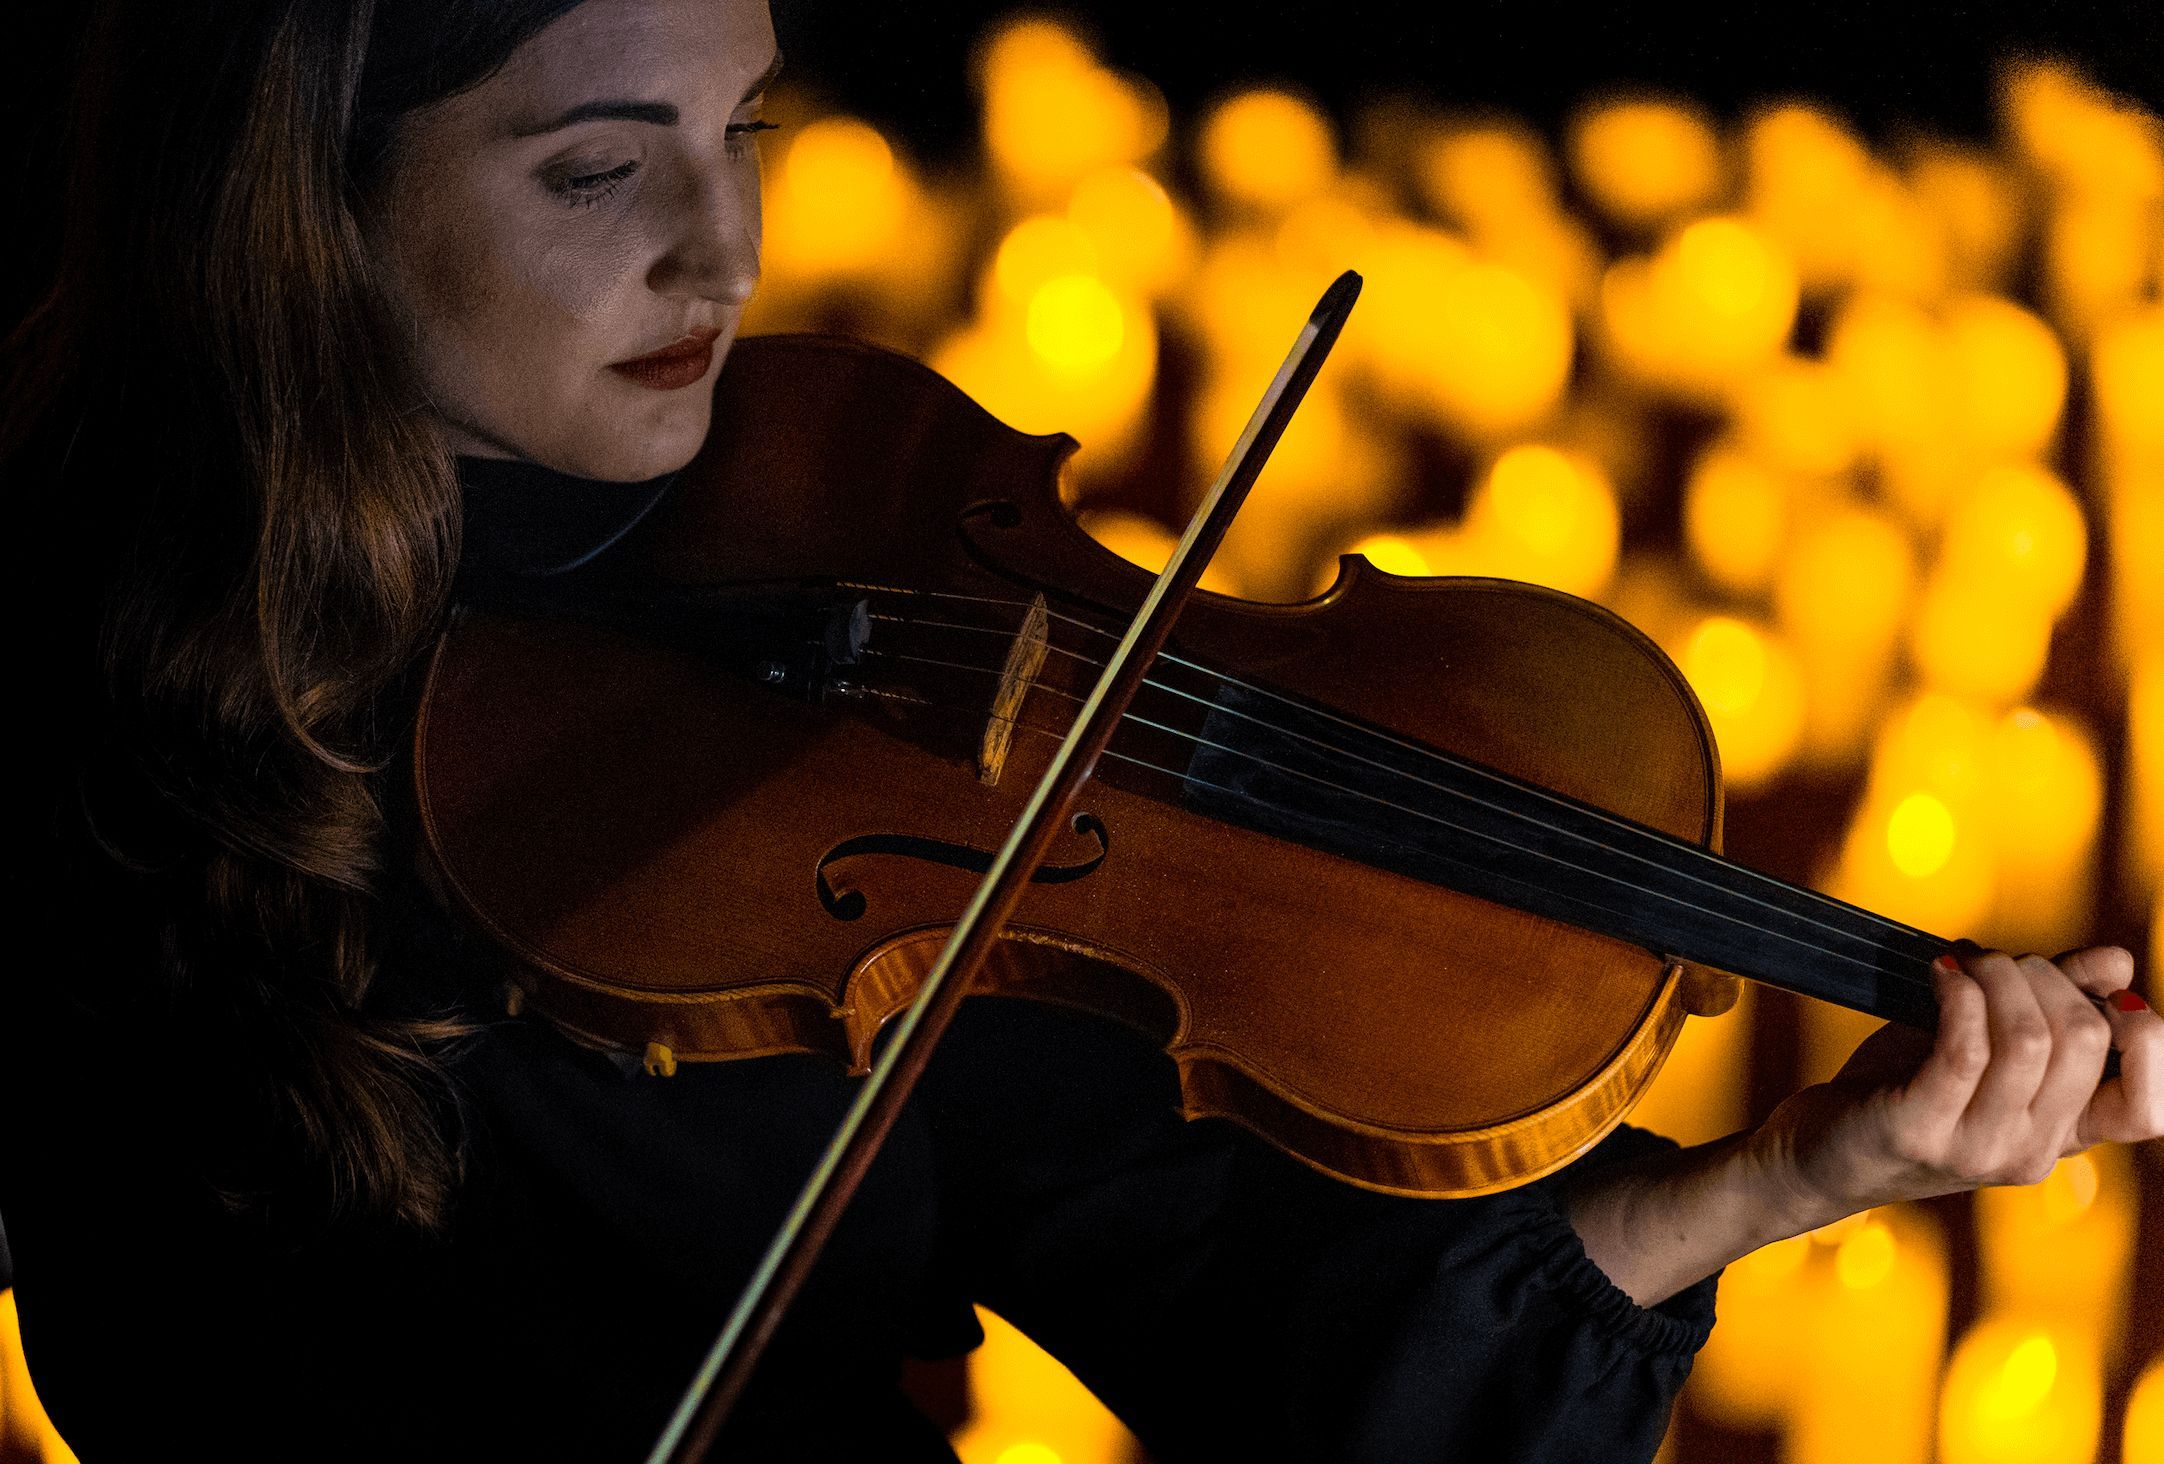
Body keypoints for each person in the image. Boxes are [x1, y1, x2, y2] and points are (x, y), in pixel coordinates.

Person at [1, 1, 2156, 1460]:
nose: (722, 246)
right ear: (308, 204)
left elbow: (1243, 1311)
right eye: (594, 171)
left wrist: (1798, 1171)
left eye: (743, 132)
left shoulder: (852, 612)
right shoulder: (84, 689)